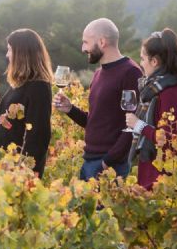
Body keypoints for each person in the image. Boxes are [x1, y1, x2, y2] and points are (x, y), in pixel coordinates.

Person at [53, 18, 143, 181]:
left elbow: (132, 127)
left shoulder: (130, 73)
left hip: (109, 167)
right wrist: (70, 109)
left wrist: (106, 163)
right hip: (90, 161)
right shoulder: (98, 74)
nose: (82, 48)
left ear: (102, 42)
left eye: (86, 42)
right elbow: (95, 122)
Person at [125, 28, 177, 190]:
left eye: (142, 59)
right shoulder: (159, 89)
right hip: (157, 176)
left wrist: (138, 125)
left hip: (166, 180)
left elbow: (169, 140)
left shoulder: (169, 93)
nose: (140, 63)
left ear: (154, 61)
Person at [0, 29, 53, 178]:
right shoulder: (21, 84)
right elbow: (14, 122)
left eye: (10, 50)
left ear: (21, 54)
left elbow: (39, 135)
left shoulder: (38, 87)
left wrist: (23, 172)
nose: (7, 55)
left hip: (21, 173)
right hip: (9, 166)